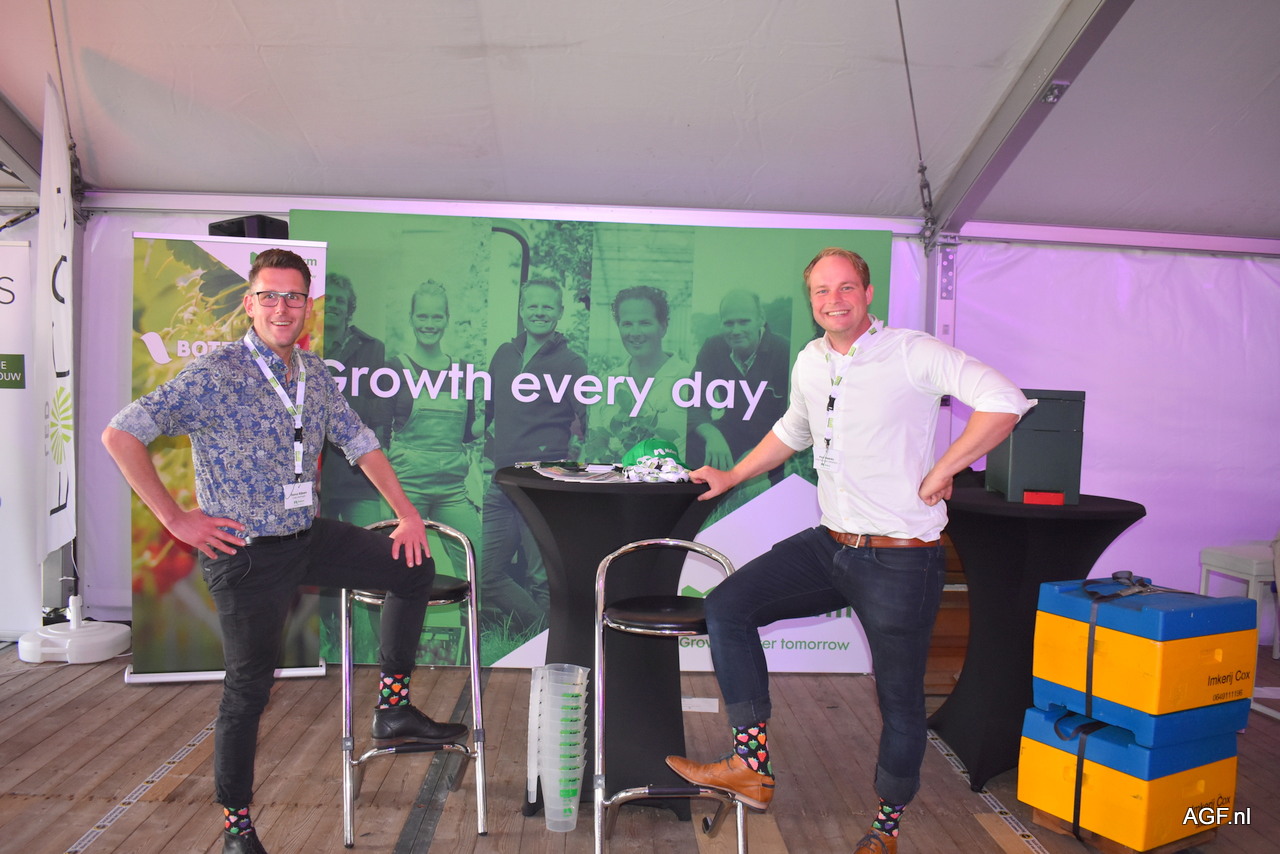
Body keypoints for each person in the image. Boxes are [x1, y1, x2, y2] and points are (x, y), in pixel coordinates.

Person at [665, 248, 1032, 854]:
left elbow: (1004, 400)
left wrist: (946, 467)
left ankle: (887, 829)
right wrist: (732, 476)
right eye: (820, 291)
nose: (832, 300)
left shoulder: (911, 352)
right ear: (810, 301)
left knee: (899, 701)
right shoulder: (811, 359)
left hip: (901, 560)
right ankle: (751, 766)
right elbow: (794, 429)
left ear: (867, 294)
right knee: (727, 605)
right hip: (831, 544)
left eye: (844, 288)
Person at [102, 249, 467, 854]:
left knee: (413, 565)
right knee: (248, 689)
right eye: (269, 295)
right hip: (244, 553)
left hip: (306, 535)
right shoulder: (216, 372)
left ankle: (393, 708)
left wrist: (407, 515)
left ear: (307, 307)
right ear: (249, 304)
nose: (281, 307)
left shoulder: (314, 373)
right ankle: (236, 829)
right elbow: (120, 434)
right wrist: (175, 519)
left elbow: (360, 440)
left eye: (293, 296)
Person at [481, 278, 587, 635]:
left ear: (560, 312)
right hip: (501, 483)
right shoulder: (503, 354)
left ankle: (543, 651)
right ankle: (543, 635)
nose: (540, 312)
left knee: (542, 579)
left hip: (543, 484)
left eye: (547, 306)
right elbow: (488, 412)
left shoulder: (572, 363)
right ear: (522, 310)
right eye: (533, 305)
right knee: (486, 575)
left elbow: (588, 422)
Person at [387, 280, 483, 579]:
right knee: (399, 566)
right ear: (412, 318)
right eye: (423, 316)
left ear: (447, 319)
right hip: (407, 487)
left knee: (475, 558)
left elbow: (467, 433)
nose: (429, 324)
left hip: (452, 490)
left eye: (437, 316)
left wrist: (494, 418)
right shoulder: (394, 368)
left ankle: (471, 612)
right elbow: (378, 430)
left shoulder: (464, 371)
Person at [686, 289, 790, 509]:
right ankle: (697, 508)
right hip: (732, 431)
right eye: (729, 323)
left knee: (773, 479)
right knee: (694, 442)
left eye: (744, 322)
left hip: (775, 439)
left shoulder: (784, 352)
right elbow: (694, 401)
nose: (736, 330)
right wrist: (712, 435)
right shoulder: (713, 347)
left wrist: (760, 455)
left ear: (761, 319)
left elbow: (793, 421)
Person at [586, 285, 691, 462]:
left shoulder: (689, 378)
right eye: (627, 324)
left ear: (663, 326)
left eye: (644, 323)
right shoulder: (608, 382)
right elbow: (597, 444)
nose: (635, 333)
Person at [320, 272, 391, 527]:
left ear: (349, 308)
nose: (333, 305)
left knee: (370, 542)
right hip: (315, 477)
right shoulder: (299, 346)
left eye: (340, 300)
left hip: (360, 476)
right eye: (328, 299)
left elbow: (381, 410)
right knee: (319, 548)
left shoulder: (373, 348)